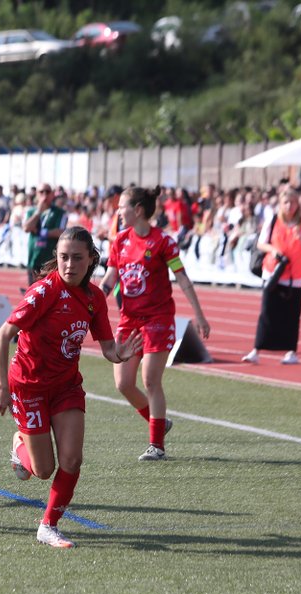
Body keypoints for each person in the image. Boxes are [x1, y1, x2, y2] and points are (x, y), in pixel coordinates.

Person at [0, 227, 142, 548]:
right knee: (43, 470)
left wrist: (121, 353)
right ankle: (20, 444)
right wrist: (2, 387)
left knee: (72, 460)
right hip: (29, 387)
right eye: (63, 258)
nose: (69, 264)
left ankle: (49, 525)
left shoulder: (94, 299)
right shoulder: (44, 292)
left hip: (66, 387)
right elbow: (3, 335)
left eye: (77, 258)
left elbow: (107, 349)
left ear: (91, 260)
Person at [99, 186, 211, 461]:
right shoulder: (120, 241)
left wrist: (199, 314)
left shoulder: (163, 242)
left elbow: (182, 279)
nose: (118, 212)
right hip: (129, 320)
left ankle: (157, 445)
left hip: (158, 319)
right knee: (123, 384)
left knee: (150, 379)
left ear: (137, 210)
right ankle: (158, 421)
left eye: (122, 206)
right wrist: (90, 302)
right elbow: (110, 280)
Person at [242, 186, 301, 367]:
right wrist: (274, 251)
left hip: (296, 276)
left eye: (293, 202)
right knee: (267, 312)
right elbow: (261, 244)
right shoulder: (274, 220)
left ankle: (291, 351)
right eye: (286, 202)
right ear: (281, 204)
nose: (290, 206)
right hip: (273, 272)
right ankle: (256, 350)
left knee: (292, 315)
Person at [23, 184, 68, 285]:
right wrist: (38, 212)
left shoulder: (59, 213)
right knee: (33, 293)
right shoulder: (31, 211)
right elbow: (26, 227)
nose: (44, 195)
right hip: (33, 259)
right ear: (37, 194)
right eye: (41, 192)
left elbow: (60, 232)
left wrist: (40, 232)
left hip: (50, 261)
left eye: (47, 192)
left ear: (52, 194)